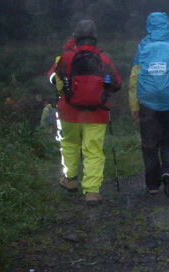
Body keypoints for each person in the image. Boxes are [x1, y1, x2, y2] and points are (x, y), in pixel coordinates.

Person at [55, 19, 122, 206]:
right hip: (96, 113)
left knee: (69, 145)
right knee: (93, 151)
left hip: (69, 111)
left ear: (75, 37)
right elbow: (117, 84)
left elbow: (58, 78)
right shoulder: (105, 58)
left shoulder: (66, 58)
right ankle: (92, 192)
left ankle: (70, 180)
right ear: (95, 38)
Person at [129, 12, 169, 197]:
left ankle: (152, 184)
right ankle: (168, 171)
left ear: (148, 26)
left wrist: (134, 105)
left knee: (149, 144)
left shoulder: (143, 46)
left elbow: (134, 79)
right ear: (167, 25)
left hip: (147, 103)